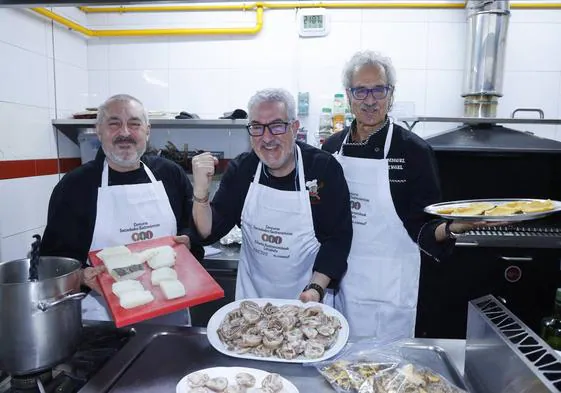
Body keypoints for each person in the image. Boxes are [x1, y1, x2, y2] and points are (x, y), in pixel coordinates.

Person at [322, 50, 485, 338]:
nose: (370, 100)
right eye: (361, 90)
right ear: (348, 95)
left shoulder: (414, 152)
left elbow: (425, 226)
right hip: (340, 285)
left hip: (389, 293)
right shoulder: (332, 149)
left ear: (391, 94)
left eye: (379, 90)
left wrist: (451, 228)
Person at [40, 94, 203, 325]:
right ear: (99, 131)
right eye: (114, 123)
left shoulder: (170, 174)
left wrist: (189, 242)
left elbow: (194, 230)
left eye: (134, 124)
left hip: (170, 313)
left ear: (148, 131)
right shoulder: (75, 186)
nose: (125, 132)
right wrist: (82, 276)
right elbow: (53, 261)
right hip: (102, 319)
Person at [191, 88, 352, 304]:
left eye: (276, 126)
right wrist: (201, 193)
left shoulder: (323, 169)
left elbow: (337, 239)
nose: (267, 138)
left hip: (308, 304)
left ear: (294, 128)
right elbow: (209, 231)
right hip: (252, 305)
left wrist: (315, 289)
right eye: (257, 127)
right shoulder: (242, 170)